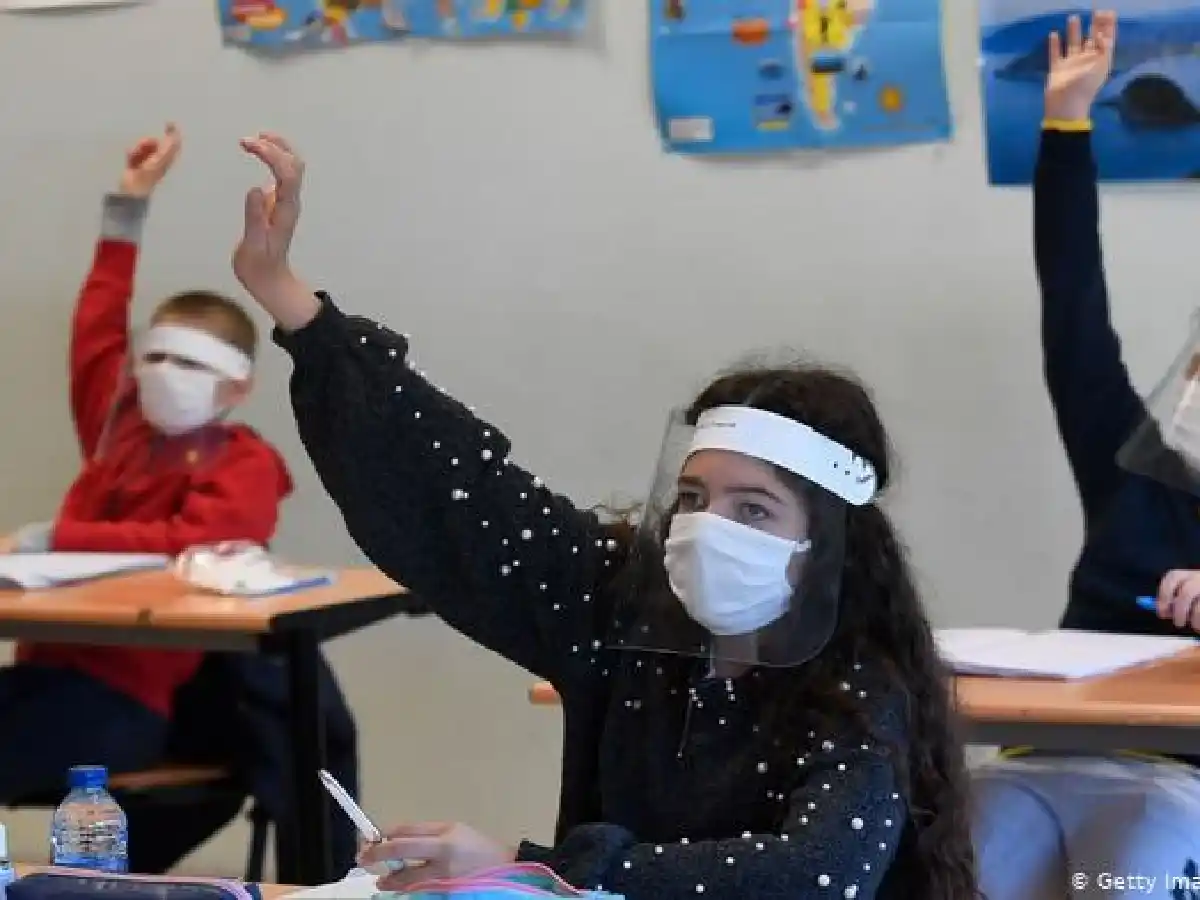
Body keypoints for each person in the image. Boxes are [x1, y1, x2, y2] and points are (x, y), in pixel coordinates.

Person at [229, 132, 981, 900]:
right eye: (692, 499)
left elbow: (810, 875)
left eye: (753, 508)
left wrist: (539, 866)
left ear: (827, 544)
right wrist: (291, 300)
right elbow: (458, 493)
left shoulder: (857, 684)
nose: (707, 527)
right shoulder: (627, 607)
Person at [0, 125, 293, 860]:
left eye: (189, 362)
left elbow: (189, 546)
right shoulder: (116, 430)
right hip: (42, 680)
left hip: (125, 706)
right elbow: (97, 322)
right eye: (153, 356)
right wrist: (128, 205)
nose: (163, 373)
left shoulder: (245, 464)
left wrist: (59, 539)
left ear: (240, 385)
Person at [971, 13, 1200, 899]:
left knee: (1136, 874)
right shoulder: (1132, 463)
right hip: (1041, 757)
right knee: (967, 859)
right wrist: (1066, 123)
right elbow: (1072, 302)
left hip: (1176, 778)